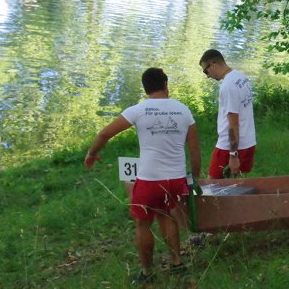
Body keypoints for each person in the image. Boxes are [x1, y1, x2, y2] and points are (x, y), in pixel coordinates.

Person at [84, 68, 201, 284]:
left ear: (145, 88)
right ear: (166, 84)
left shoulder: (138, 110)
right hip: (175, 179)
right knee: (167, 216)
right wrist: (194, 178)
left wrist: (92, 153)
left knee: (143, 224)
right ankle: (177, 264)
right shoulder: (183, 111)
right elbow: (194, 150)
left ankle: (148, 272)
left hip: (149, 180)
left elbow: (104, 133)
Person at [199, 49, 256, 179]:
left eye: (205, 71)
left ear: (213, 64)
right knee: (237, 185)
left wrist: (233, 155)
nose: (207, 76)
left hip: (229, 146)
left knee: (212, 184)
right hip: (249, 141)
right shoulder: (241, 77)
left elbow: (233, 123)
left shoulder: (228, 85)